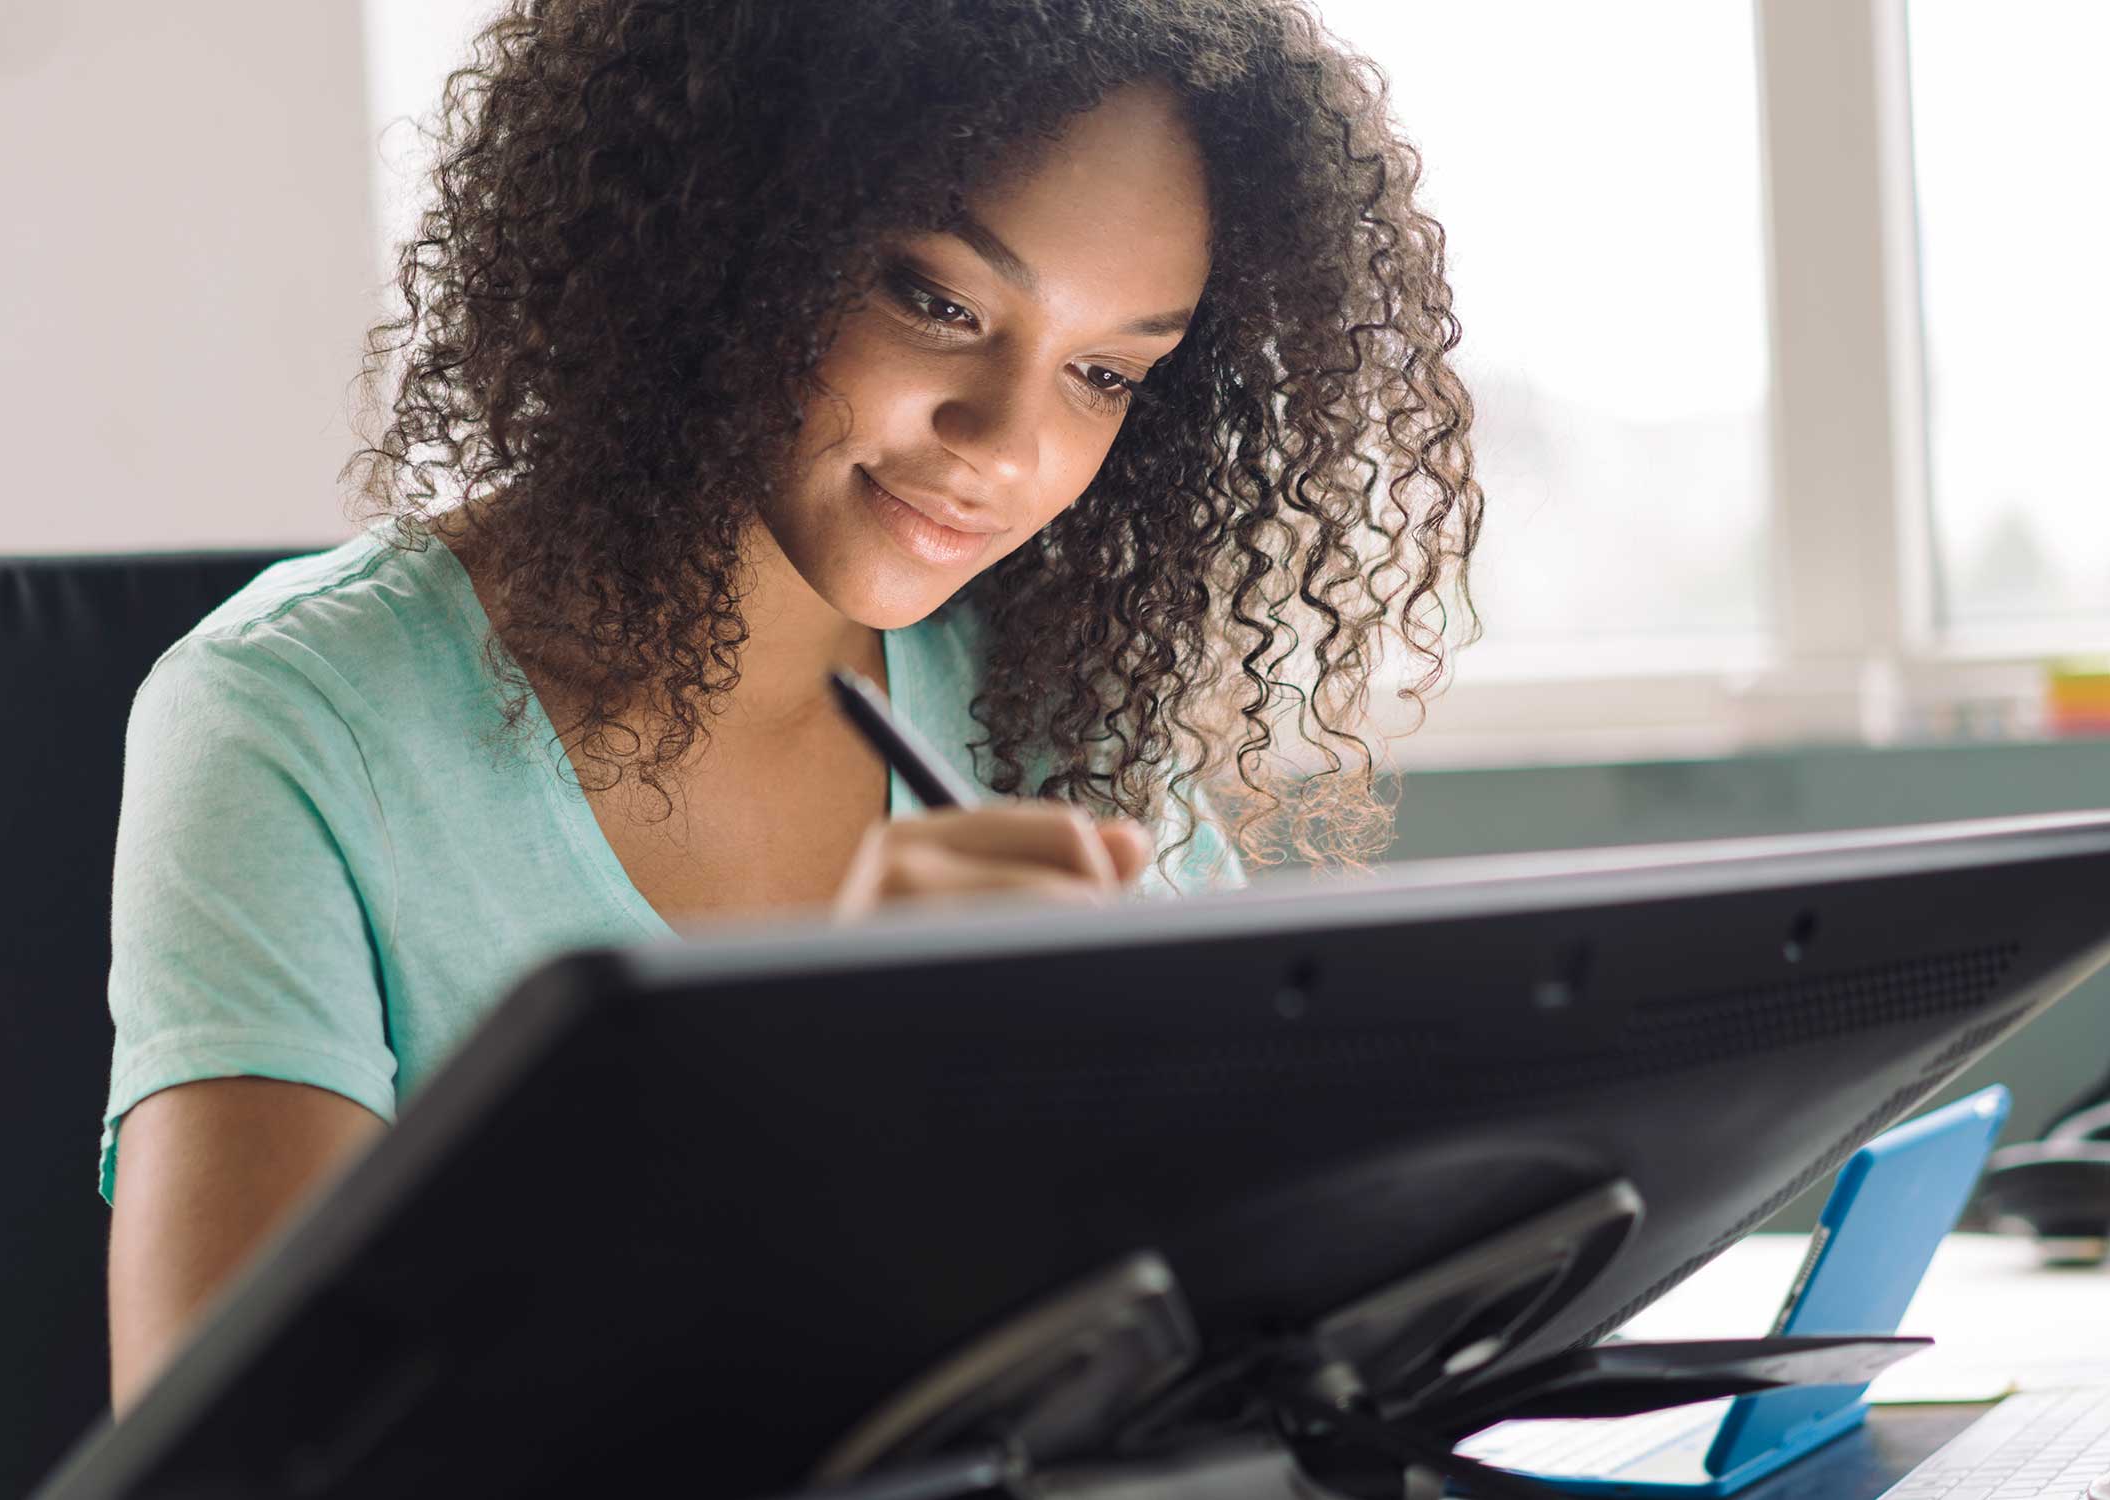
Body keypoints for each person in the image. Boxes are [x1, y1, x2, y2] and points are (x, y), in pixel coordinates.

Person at [101, 0, 1482, 1406]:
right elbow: (235, 1449)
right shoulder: (297, 720)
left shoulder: (1062, 724)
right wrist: (832, 1096)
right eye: (937, 302)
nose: (1007, 447)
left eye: (1103, 372)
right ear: (719, 229)